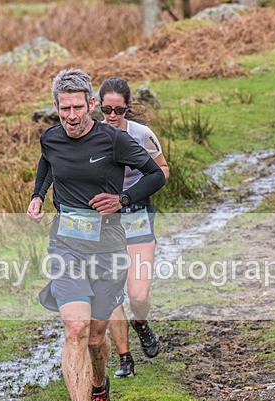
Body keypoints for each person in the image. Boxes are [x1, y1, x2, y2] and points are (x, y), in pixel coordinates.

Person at [27, 68, 165, 401]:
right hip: (66, 248)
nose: (70, 116)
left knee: (97, 336)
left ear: (91, 104)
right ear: (56, 107)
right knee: (75, 328)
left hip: (108, 250)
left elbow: (156, 176)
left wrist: (122, 200)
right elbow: (47, 165)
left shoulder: (114, 140)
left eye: (77, 107)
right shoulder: (51, 138)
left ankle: (100, 386)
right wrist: (39, 195)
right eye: (63, 109)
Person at [99, 77, 169, 378]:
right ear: (97, 108)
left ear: (128, 108)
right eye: (106, 110)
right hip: (103, 225)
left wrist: (132, 195)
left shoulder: (142, 135)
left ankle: (141, 323)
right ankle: (125, 358)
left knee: (138, 295)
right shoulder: (92, 135)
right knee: (112, 293)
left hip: (137, 216)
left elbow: (163, 169)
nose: (112, 117)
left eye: (119, 111)